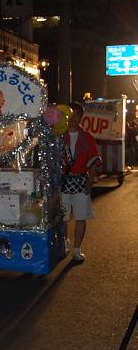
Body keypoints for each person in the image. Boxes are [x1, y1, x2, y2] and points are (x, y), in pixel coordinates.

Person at [61, 102, 101, 262]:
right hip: (62, 182)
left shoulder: (87, 138)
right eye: (69, 115)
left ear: (80, 118)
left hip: (81, 181)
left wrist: (90, 184)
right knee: (62, 218)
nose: (72, 118)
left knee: (80, 217)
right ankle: (64, 244)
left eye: (76, 115)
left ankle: (77, 250)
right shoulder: (58, 136)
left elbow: (93, 164)